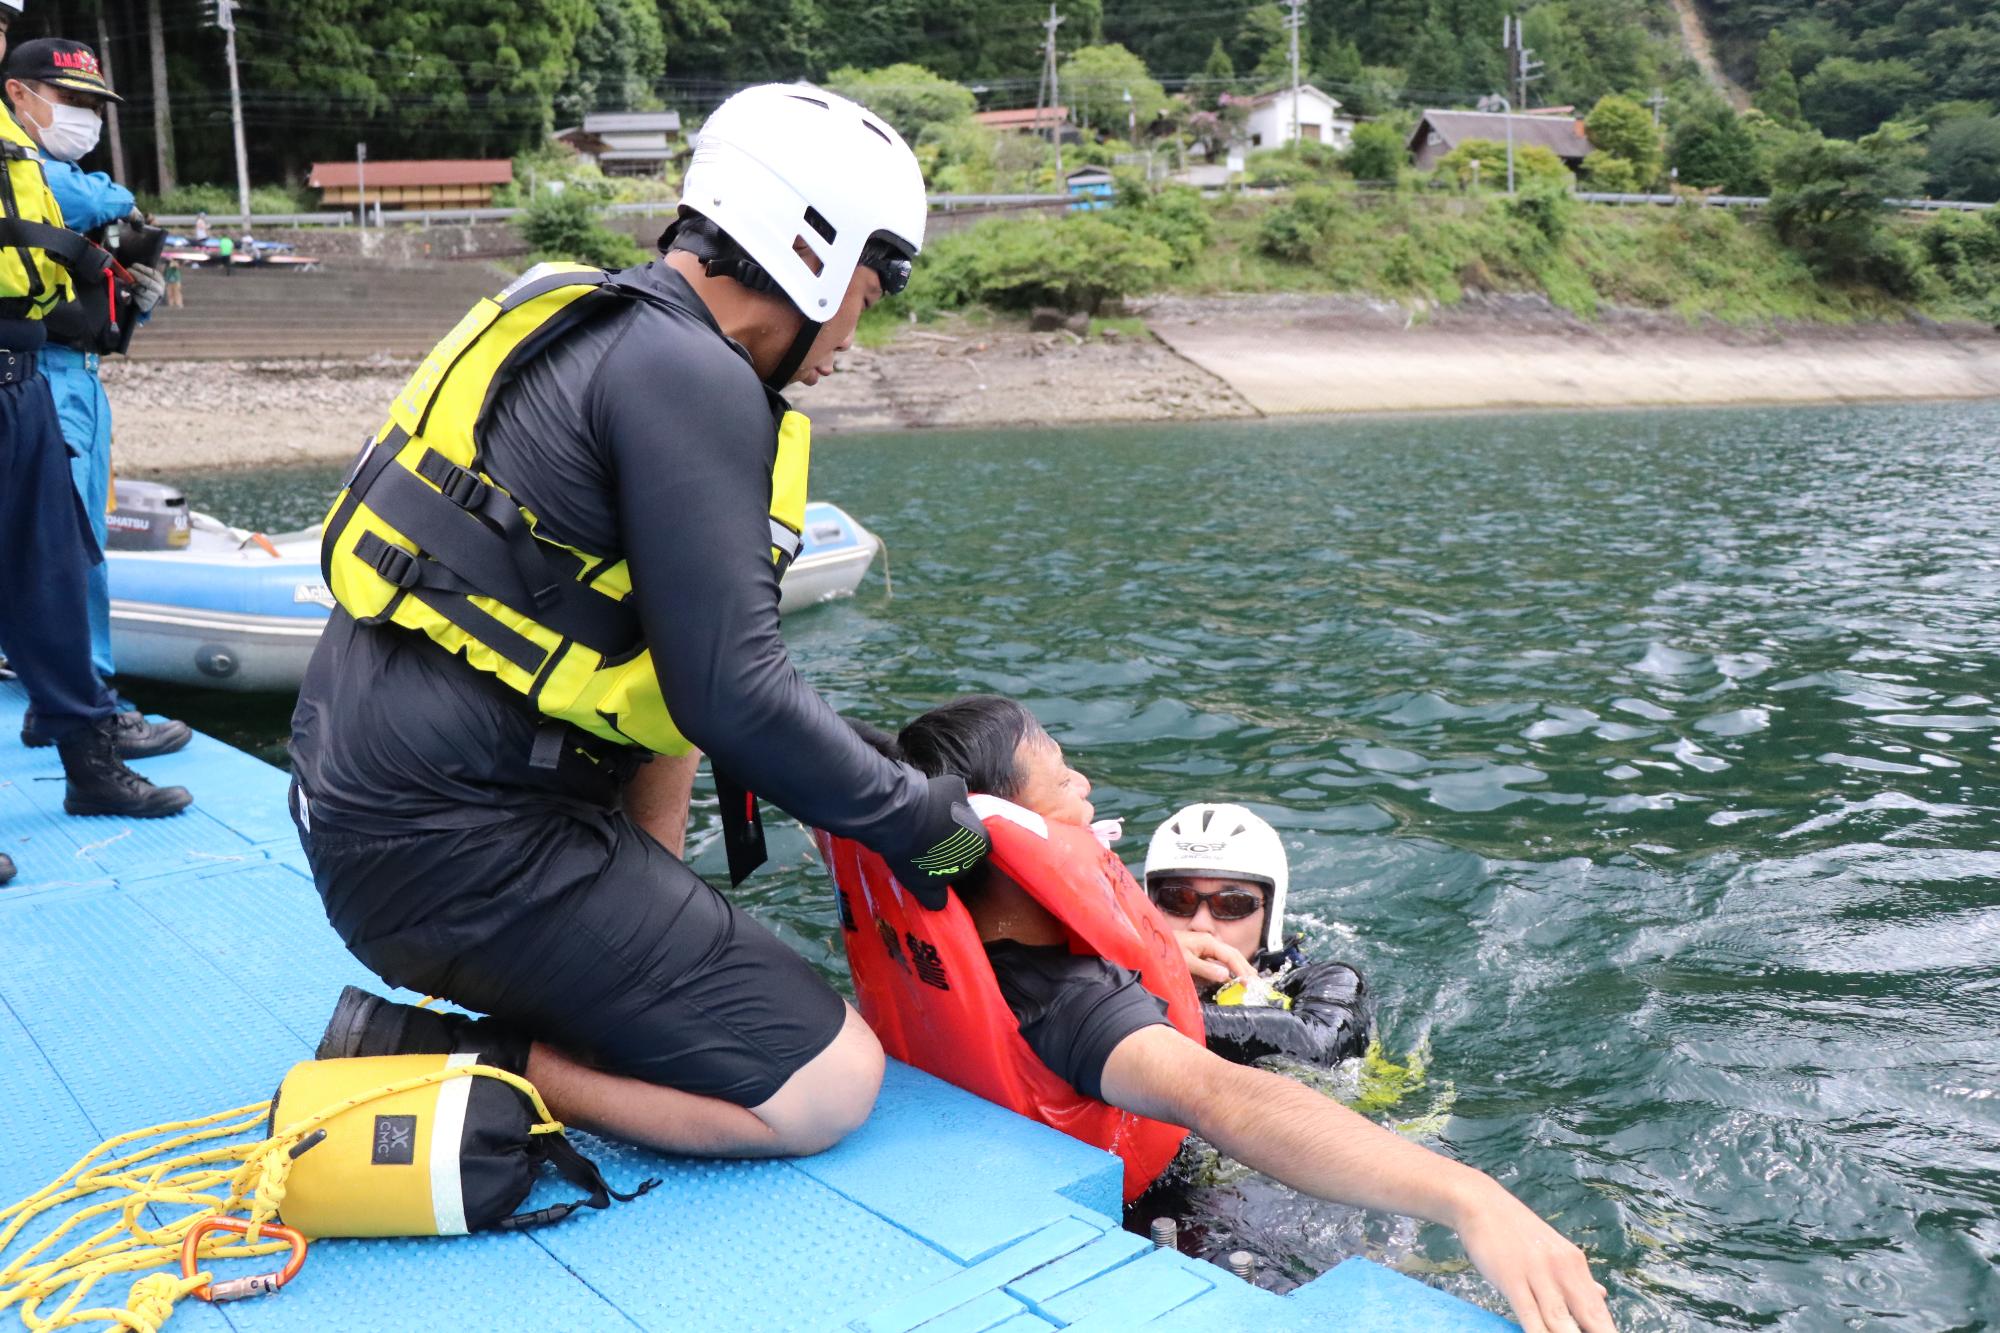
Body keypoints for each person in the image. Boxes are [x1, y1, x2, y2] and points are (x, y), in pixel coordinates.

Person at [292, 84, 989, 1165]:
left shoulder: (610, 325)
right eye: (876, 281)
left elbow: (674, 677)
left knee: (667, 735)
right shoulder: (690, 374)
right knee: (824, 1089)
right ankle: (453, 1052)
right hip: (452, 851)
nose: (864, 322)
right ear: (817, 251)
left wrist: (875, 767)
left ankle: (621, 944)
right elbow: (735, 697)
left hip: (360, 804)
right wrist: (924, 824)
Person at [869, 696, 1615, 1333]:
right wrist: (1471, 1195)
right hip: (1184, 1223)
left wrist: (1153, 949)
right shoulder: (1079, 1002)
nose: (1086, 784)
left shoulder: (941, 944)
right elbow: (1218, 1093)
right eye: (1064, 775)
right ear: (1010, 826)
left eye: (1232, 905)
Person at [0, 4, 191, 893]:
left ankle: (89, 744)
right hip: (42, 373)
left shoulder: (18, 148)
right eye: (65, 97)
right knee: (57, 556)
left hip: (32, 369)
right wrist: (117, 212)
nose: (83, 113)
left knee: (59, 558)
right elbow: (98, 204)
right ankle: (85, 722)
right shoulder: (33, 155)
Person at [1144, 802, 1370, 1069]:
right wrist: (1148, 960)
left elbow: (1319, 1048)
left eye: (1231, 903)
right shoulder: (1119, 971)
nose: (1200, 924)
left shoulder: (1328, 980)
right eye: (1178, 899)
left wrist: (1131, 1009)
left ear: (1269, 917)